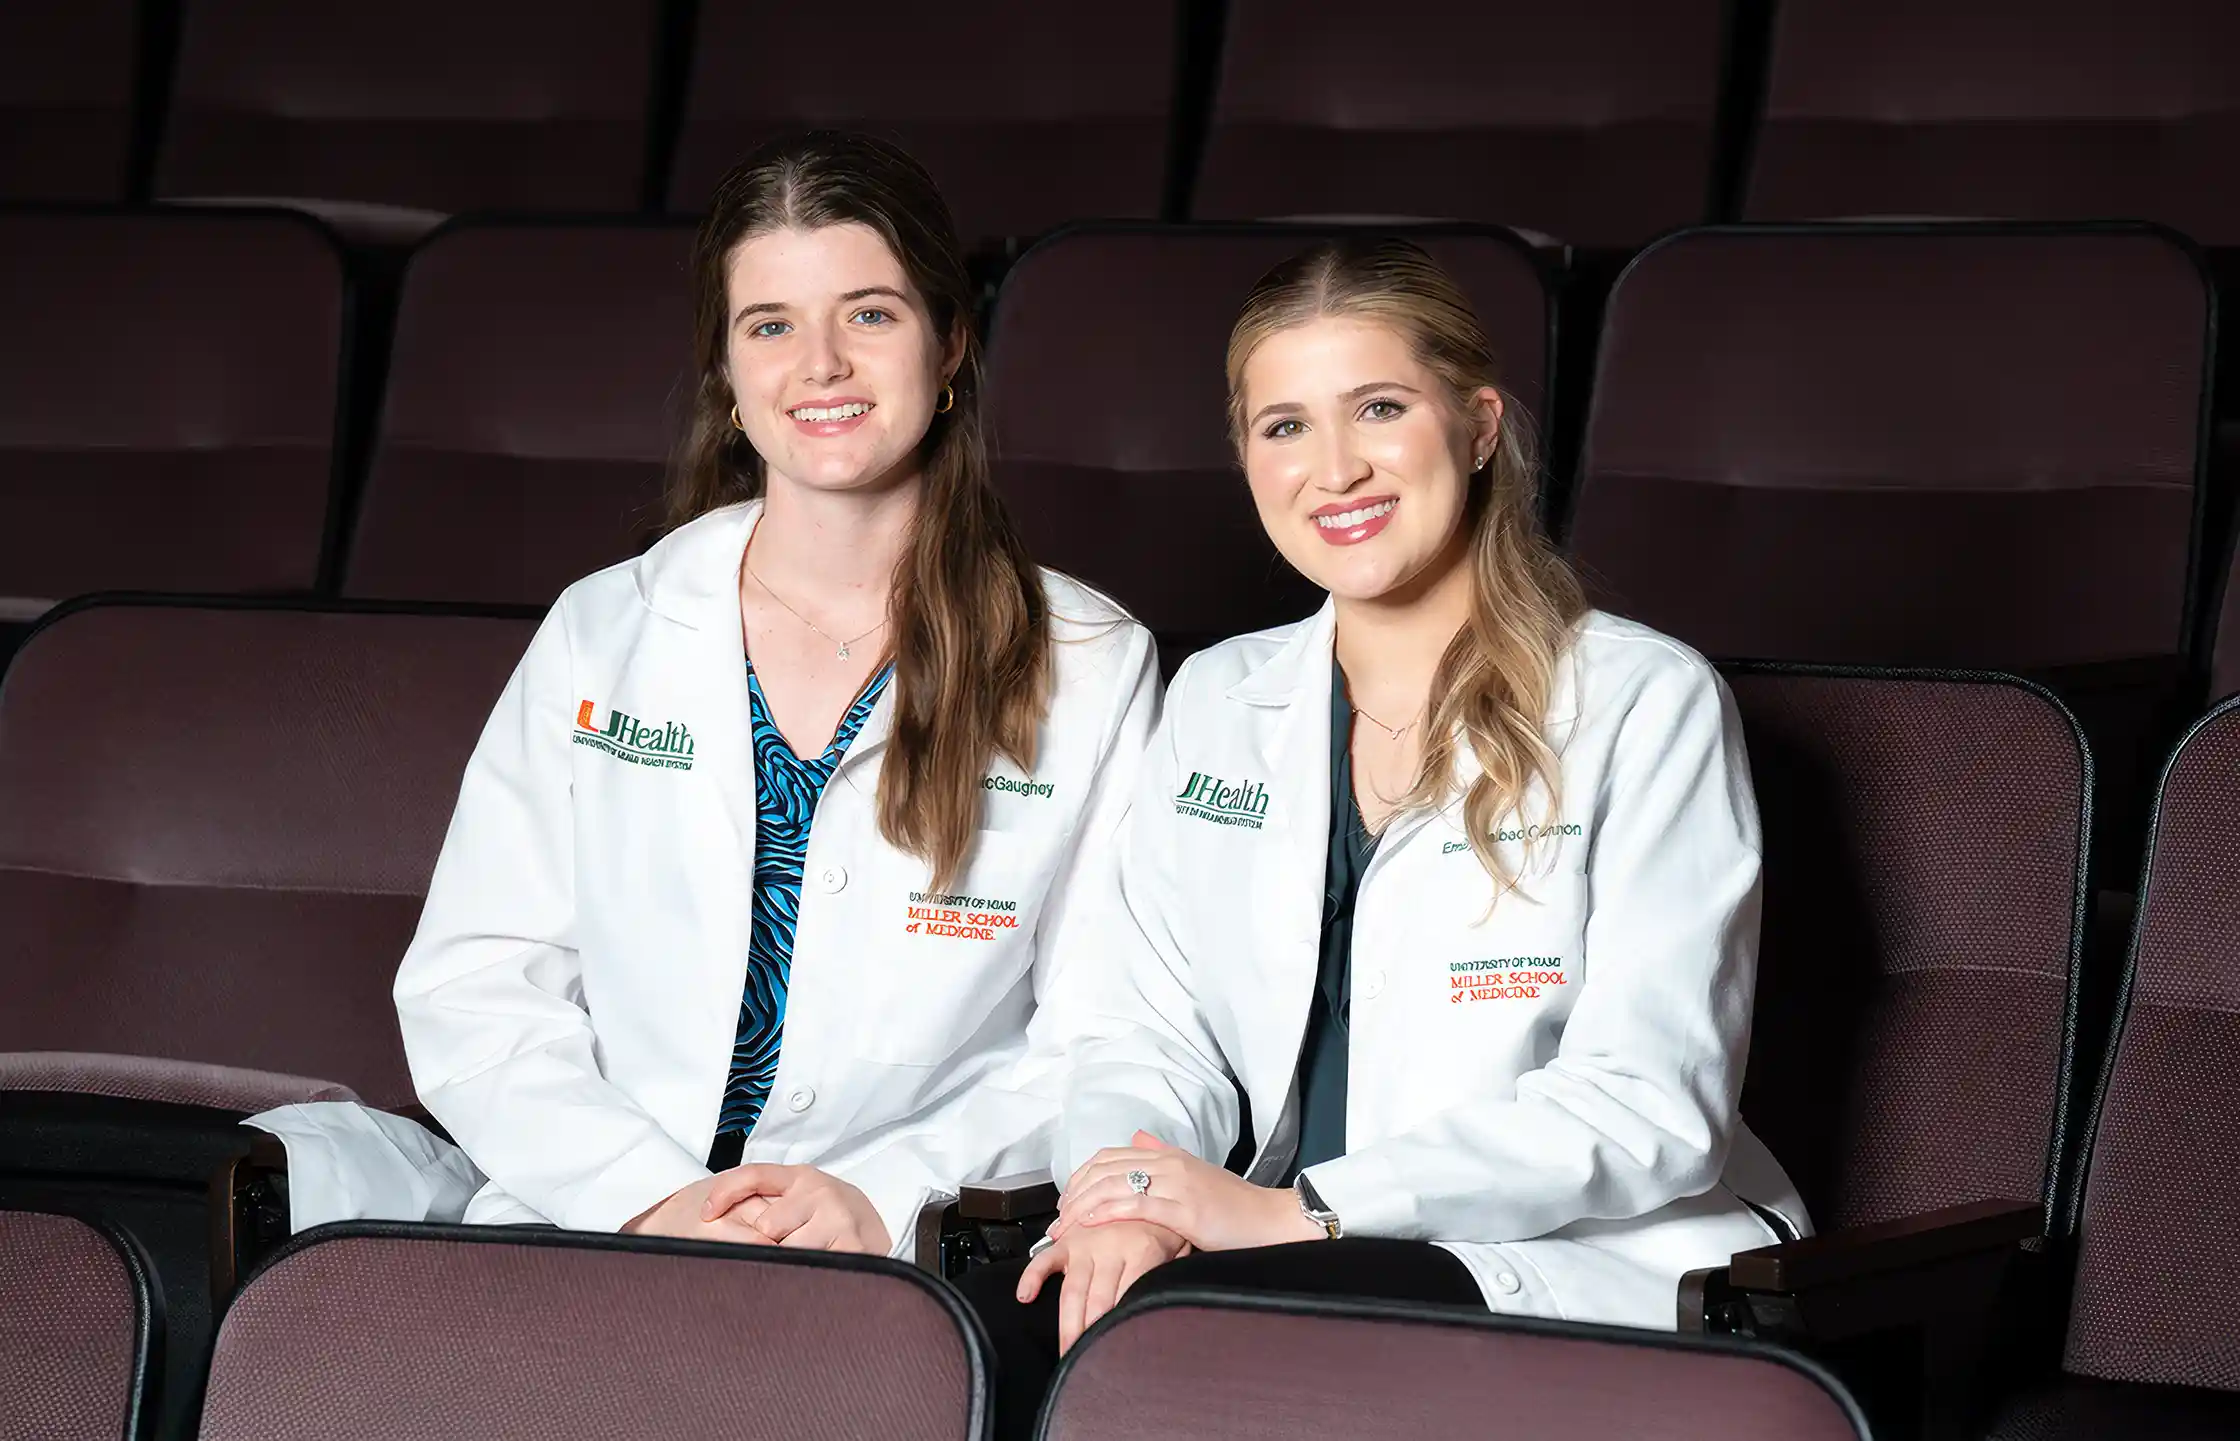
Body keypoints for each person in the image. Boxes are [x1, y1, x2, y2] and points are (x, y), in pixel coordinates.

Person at [955, 237, 1806, 1434]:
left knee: (1191, 1355)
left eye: (1379, 408)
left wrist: (1303, 1211)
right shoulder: (1219, 697)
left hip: (1553, 1252)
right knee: (974, 1335)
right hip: (1260, 1241)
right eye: (1283, 426)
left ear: (1474, 425)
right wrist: (1127, 1197)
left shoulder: (1638, 699)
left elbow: (1646, 1104)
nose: (1333, 467)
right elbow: (1143, 1030)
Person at [392, 131, 1157, 1258]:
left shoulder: (1092, 659)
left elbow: (1104, 1040)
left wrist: (881, 1195)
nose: (821, 365)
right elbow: (475, 984)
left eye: (870, 314)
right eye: (771, 326)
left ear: (949, 346)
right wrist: (649, 1193)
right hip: (594, 1222)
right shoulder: (604, 630)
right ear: (726, 374)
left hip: (889, 1253)